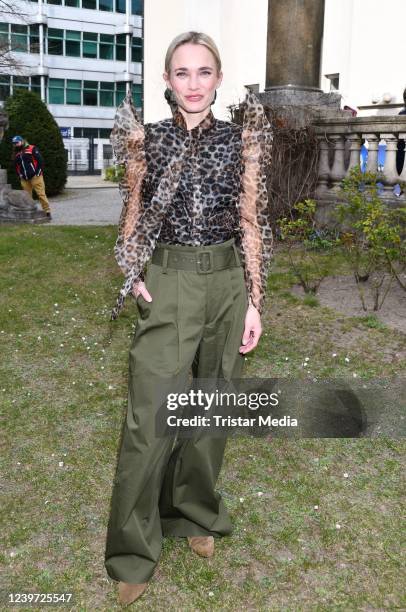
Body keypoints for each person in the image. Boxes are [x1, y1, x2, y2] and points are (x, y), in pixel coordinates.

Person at [104, 31, 273, 606]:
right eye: (183, 72)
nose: (194, 83)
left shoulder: (241, 140)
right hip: (171, 282)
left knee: (211, 412)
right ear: (167, 80)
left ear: (219, 78)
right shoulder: (145, 141)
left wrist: (254, 298)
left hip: (227, 283)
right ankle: (132, 552)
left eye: (205, 72)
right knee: (149, 420)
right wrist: (134, 271)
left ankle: (194, 515)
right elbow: (130, 219)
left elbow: (250, 221)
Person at [11, 135, 52, 219]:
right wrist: (19, 175)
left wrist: (37, 173)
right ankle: (30, 211)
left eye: (17, 143)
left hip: (35, 177)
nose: (16, 145)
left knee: (41, 194)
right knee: (27, 196)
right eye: (14, 143)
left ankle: (47, 211)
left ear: (22, 141)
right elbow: (16, 166)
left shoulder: (31, 148)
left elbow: (40, 161)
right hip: (24, 179)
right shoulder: (16, 153)